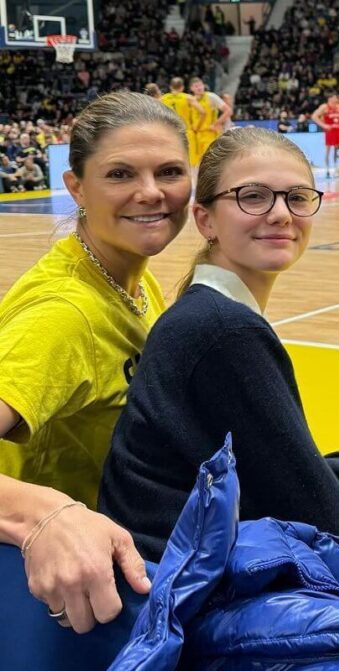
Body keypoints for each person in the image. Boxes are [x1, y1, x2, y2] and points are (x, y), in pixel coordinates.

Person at [98, 127, 339, 572]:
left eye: (297, 197)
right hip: (182, 593)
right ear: (205, 219)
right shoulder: (222, 330)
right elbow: (324, 519)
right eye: (253, 197)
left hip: (191, 560)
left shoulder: (209, 313)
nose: (281, 214)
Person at [0, 91, 192, 633]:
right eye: (121, 174)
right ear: (76, 187)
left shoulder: (134, 277)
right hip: (46, 602)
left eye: (170, 170)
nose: (150, 192)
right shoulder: (64, 315)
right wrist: (41, 515)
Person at [160, 77, 204, 165]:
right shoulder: (188, 98)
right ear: (182, 87)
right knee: (191, 163)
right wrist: (197, 127)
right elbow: (202, 112)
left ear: (171, 87)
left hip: (168, 133)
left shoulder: (162, 99)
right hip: (186, 132)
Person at [189, 77, 232, 167]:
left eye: (200, 85)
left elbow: (228, 111)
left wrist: (217, 123)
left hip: (210, 134)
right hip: (196, 137)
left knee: (212, 164)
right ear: (191, 88)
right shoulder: (191, 100)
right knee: (196, 167)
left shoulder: (211, 97)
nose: (199, 88)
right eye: (196, 86)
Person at [311, 92, 339, 178]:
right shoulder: (324, 106)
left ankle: (335, 168)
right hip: (330, 131)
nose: (336, 99)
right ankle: (327, 170)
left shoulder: (338, 106)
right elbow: (314, 116)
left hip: (338, 130)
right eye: (335, 98)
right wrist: (324, 125)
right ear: (330, 99)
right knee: (328, 151)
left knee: (336, 150)